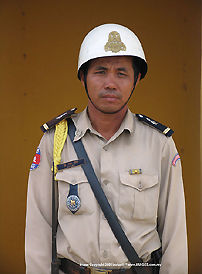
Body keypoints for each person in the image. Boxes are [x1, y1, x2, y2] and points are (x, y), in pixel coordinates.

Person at [25, 24, 188, 274]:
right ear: (83, 77)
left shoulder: (159, 144)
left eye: (122, 73)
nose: (110, 83)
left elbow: (175, 236)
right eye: (100, 71)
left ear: (137, 79)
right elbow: (38, 230)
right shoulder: (55, 140)